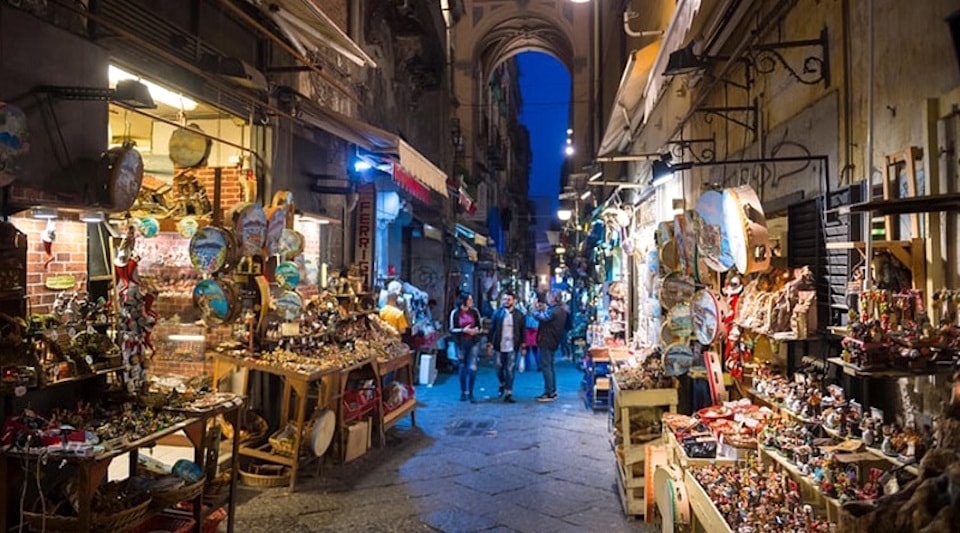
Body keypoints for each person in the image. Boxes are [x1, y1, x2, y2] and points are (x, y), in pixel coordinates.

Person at [530, 289, 568, 402]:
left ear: (553, 298)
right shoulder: (560, 309)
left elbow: (543, 317)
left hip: (547, 339)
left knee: (546, 366)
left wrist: (534, 310)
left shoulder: (555, 311)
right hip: (553, 340)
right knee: (550, 366)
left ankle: (549, 392)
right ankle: (552, 390)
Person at [487, 291, 524, 403]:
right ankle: (502, 382)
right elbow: (491, 329)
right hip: (499, 344)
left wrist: (523, 345)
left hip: (513, 345)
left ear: (514, 301)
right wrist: (489, 343)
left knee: (510, 368)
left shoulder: (519, 315)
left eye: (509, 299)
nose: (506, 301)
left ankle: (509, 392)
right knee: (498, 366)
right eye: (504, 299)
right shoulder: (497, 313)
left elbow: (522, 331)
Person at [449, 292, 482, 402]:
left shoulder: (474, 312)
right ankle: (463, 392)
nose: (471, 302)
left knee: (472, 367)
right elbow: (452, 329)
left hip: (473, 342)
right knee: (462, 366)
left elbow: (480, 326)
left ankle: (471, 392)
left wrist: (475, 331)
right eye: (469, 300)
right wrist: (463, 330)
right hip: (460, 342)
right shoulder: (455, 313)